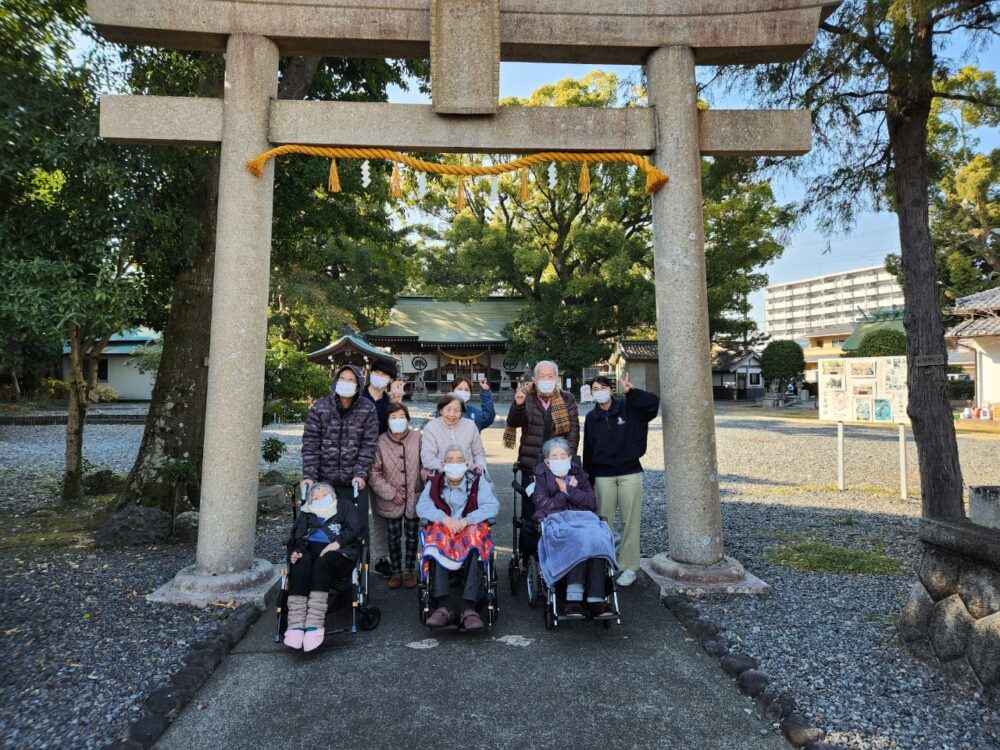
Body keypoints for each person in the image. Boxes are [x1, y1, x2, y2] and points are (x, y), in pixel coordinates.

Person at [582, 373, 659, 587]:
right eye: (595, 389)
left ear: (611, 388)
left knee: (630, 522)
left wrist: (631, 392)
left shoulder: (629, 407)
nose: (599, 392)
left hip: (630, 472)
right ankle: (604, 563)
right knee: (603, 522)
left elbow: (653, 404)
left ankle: (629, 566)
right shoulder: (591, 417)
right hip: (603, 475)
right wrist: (587, 480)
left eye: (602, 387)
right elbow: (588, 449)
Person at [416, 445, 499, 630]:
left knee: (474, 541)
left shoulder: (478, 481)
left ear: (466, 463)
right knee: (436, 542)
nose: (455, 464)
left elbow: (491, 506)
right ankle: (444, 607)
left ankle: (469, 608)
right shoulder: (434, 482)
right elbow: (422, 507)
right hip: (445, 529)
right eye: (450, 460)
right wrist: (444, 519)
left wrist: (467, 521)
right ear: (444, 464)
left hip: (468, 527)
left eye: (459, 460)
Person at [533, 438, 617, 619]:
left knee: (598, 537)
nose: (559, 458)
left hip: (584, 519)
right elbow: (543, 505)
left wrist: (571, 490)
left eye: (563, 455)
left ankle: (596, 598)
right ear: (547, 461)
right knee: (579, 539)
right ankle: (573, 597)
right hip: (558, 521)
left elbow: (591, 503)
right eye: (554, 456)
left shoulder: (580, 475)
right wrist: (564, 492)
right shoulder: (541, 476)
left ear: (570, 458)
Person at [504, 360, 579, 561]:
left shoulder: (567, 398)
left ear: (556, 378)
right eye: (542, 376)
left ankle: (557, 553)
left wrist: (567, 460)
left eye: (550, 376)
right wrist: (518, 405)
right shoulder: (526, 397)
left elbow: (573, 431)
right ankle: (528, 557)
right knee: (530, 513)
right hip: (531, 465)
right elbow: (513, 422)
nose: (546, 380)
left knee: (559, 509)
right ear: (535, 379)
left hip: (558, 465)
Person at [301, 364, 379, 544]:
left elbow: (368, 445)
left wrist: (360, 473)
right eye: (342, 379)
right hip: (323, 480)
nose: (346, 383)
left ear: (358, 385)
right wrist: (309, 475)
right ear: (336, 382)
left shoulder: (367, 409)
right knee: (320, 524)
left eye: (351, 380)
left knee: (356, 526)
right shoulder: (320, 407)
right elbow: (311, 443)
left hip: (353, 480)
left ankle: (358, 564)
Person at [283, 482, 362, 651]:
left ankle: (314, 624)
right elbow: (298, 536)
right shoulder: (306, 513)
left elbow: (354, 527)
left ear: (333, 495)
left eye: (324, 494)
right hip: (309, 551)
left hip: (340, 552)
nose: (319, 498)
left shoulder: (344, 506)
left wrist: (336, 543)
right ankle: (296, 625)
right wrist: (296, 551)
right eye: (315, 497)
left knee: (322, 563)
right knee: (300, 562)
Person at [369, 402, 423, 590]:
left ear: (407, 418)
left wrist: (426, 481)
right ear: (388, 421)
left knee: (411, 536)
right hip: (389, 498)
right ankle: (396, 571)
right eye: (393, 417)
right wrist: (391, 493)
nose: (398, 420)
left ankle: (409, 571)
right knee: (393, 537)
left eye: (401, 417)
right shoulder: (380, 441)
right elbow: (373, 473)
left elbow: (424, 465)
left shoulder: (418, 438)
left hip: (413, 496)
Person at [362, 356, 405, 580]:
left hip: (383, 465)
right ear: (371, 373)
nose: (380, 378)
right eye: (378, 373)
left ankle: (380, 558)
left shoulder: (389, 402)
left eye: (386, 375)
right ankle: (356, 556)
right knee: (356, 512)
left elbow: (400, 430)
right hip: (357, 463)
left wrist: (398, 402)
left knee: (381, 514)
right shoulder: (357, 398)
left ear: (390, 380)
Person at [421, 394, 488, 477]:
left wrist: (480, 466)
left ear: (461, 412)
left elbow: (478, 452)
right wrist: (447, 467)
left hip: (469, 475)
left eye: (456, 410)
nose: (452, 414)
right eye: (448, 410)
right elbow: (427, 456)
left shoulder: (470, 425)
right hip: (442, 475)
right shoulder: (431, 427)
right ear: (441, 411)